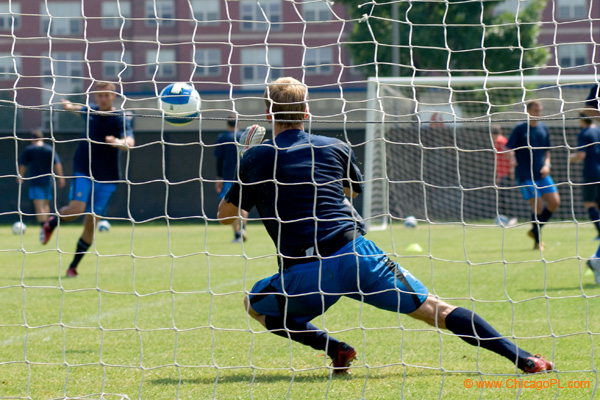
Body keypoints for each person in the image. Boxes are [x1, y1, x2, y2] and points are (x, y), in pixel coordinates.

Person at [217, 77, 553, 375]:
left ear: (268, 113)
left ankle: (335, 348)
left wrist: (248, 166)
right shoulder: (336, 147)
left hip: (307, 276)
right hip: (357, 255)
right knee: (437, 309)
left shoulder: (255, 158)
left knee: (254, 305)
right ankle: (524, 359)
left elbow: (226, 216)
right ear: (307, 112)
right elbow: (349, 192)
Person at [40, 81, 134, 278]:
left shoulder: (120, 118)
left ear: (113, 96)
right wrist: (68, 106)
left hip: (108, 177)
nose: (103, 99)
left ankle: (73, 267)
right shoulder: (90, 111)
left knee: (91, 223)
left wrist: (118, 142)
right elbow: (77, 108)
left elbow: (130, 142)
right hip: (84, 169)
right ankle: (52, 223)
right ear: (95, 97)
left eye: (107, 95)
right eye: (100, 95)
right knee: (76, 210)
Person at [505, 100, 560, 251]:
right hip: (525, 174)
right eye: (535, 110)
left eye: (540, 110)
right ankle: (537, 242)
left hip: (541, 173)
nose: (538, 113)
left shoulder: (543, 128)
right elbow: (508, 147)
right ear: (528, 111)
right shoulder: (520, 129)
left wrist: (547, 164)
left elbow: (547, 150)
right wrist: (512, 158)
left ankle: (534, 230)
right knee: (538, 205)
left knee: (555, 202)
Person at [18, 129, 66, 225]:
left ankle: (43, 227)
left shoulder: (29, 150)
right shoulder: (49, 149)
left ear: (32, 139)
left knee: (39, 206)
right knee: (45, 204)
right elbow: (57, 164)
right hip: (48, 181)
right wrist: (61, 178)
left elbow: (23, 165)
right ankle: (46, 226)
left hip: (35, 182)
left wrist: (20, 176)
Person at [215, 115, 248, 243]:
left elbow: (219, 160)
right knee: (243, 204)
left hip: (229, 177)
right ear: (238, 124)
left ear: (227, 124)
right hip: (245, 176)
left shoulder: (223, 138)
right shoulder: (244, 137)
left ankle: (237, 234)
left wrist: (219, 178)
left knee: (232, 205)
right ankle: (243, 228)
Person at [570, 114, 600, 239]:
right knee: (598, 203)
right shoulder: (598, 130)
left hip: (591, 172)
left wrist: (571, 158)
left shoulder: (584, 133)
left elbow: (581, 155)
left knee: (589, 203)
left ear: (582, 119)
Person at [491, 124, 517, 226]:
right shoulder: (499, 141)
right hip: (503, 174)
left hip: (506, 173)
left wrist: (512, 170)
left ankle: (511, 218)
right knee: (503, 197)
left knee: (506, 197)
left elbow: (511, 154)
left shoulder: (500, 141)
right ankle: (506, 218)